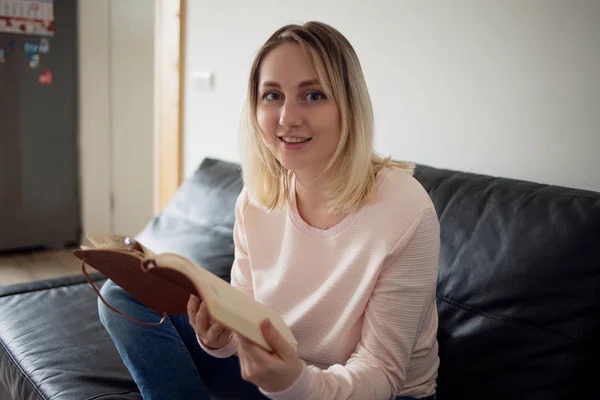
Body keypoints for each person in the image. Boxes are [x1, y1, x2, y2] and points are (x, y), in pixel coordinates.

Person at [98, 21, 440, 400]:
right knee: (121, 295)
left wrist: (296, 383)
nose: (287, 118)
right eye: (272, 95)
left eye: (312, 96)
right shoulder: (256, 199)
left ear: (349, 105)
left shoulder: (405, 207)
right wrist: (219, 338)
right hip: (279, 371)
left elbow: (381, 375)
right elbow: (248, 322)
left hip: (370, 391)